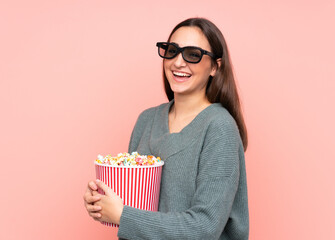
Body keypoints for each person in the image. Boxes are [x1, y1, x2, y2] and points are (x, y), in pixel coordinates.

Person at [84, 17, 249, 240]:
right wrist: (102, 203)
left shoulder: (219, 128)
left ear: (214, 67)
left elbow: (205, 227)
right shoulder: (147, 120)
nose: (178, 62)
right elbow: (134, 212)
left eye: (193, 54)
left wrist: (123, 215)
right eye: (172, 51)